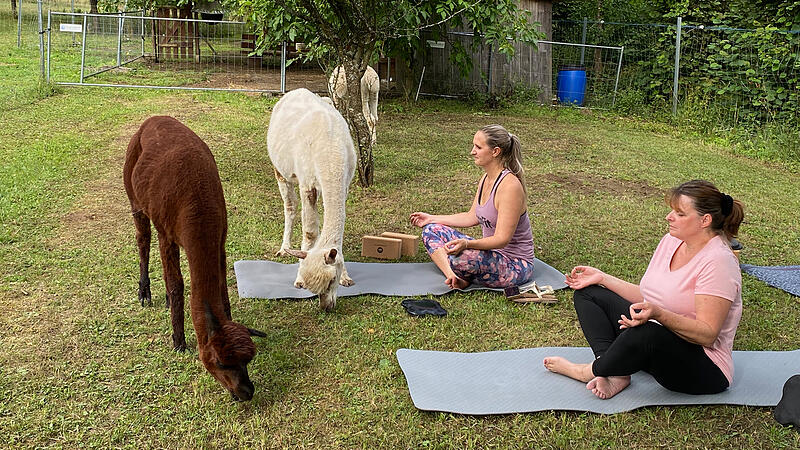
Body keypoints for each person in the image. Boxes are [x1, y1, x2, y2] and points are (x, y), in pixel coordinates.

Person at [543, 180, 744, 400]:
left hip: (703, 368)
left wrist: (658, 315)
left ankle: (587, 371)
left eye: (679, 213)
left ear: (705, 220)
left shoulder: (718, 262)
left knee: (647, 331)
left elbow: (707, 335)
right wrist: (603, 278)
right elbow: (649, 296)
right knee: (590, 294)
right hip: (656, 342)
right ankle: (614, 371)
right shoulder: (671, 241)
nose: (669, 217)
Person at [409, 124, 535, 290]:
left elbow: (502, 239)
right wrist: (431, 218)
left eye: (478, 147)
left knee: (461, 256)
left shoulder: (510, 186)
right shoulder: (486, 178)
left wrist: (467, 244)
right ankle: (453, 277)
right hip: (491, 255)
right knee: (430, 230)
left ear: (495, 151)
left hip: (514, 265)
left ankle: (460, 273)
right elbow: (472, 216)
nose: (472, 151)